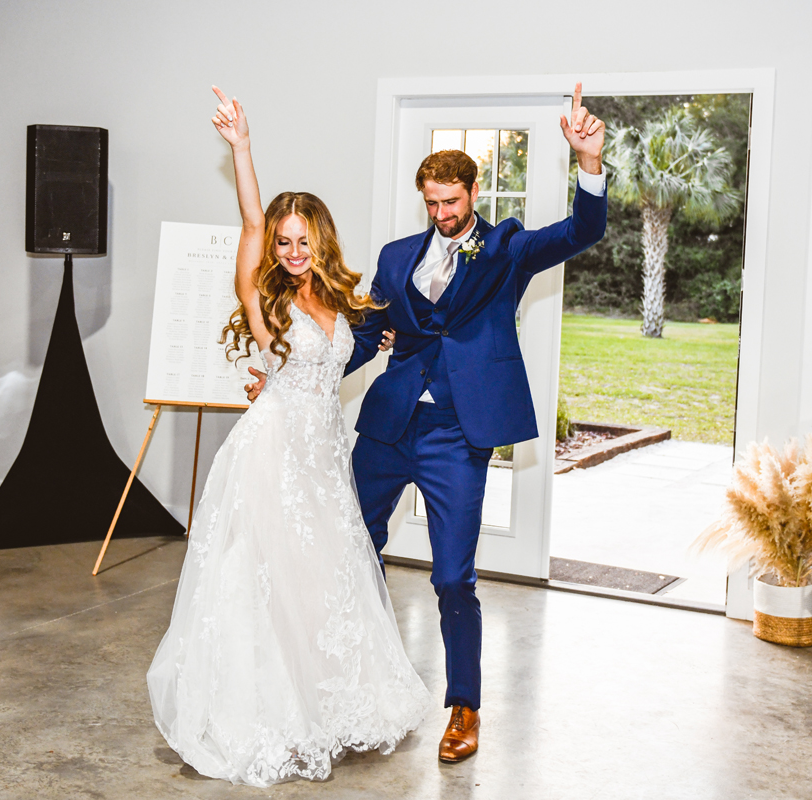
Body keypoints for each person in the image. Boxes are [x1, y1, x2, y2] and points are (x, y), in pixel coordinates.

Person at [248, 83, 608, 763]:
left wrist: (588, 163)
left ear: (472, 194)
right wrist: (287, 372)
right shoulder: (395, 257)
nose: (442, 214)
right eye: (432, 203)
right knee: (352, 551)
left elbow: (579, 232)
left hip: (458, 435)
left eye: (452, 202)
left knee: (452, 578)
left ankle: (464, 706)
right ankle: (352, 680)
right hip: (387, 427)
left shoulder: (505, 249)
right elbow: (362, 337)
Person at [146, 87, 431, 789]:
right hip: (272, 450)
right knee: (266, 584)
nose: (294, 251)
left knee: (323, 583)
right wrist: (242, 147)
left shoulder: (334, 301)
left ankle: (326, 705)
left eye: (305, 241)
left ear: (320, 242)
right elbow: (250, 216)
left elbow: (343, 359)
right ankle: (272, 712)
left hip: (323, 456)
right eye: (284, 241)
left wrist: (375, 341)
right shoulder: (262, 295)